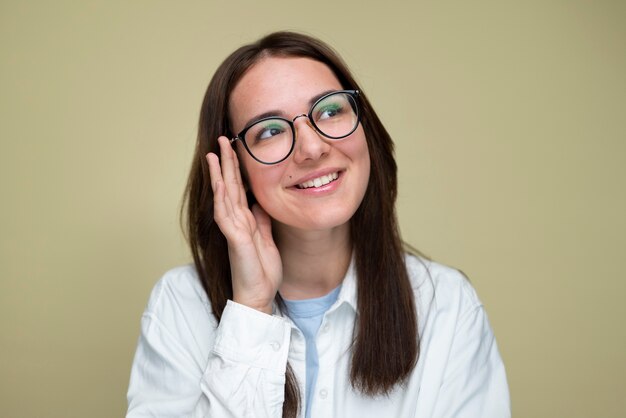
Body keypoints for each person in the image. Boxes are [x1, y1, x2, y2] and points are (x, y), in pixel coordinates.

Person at [126, 31, 510, 418]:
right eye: (271, 131)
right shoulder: (180, 304)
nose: (312, 148)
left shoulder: (447, 305)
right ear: (235, 170)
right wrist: (252, 311)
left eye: (329, 110)